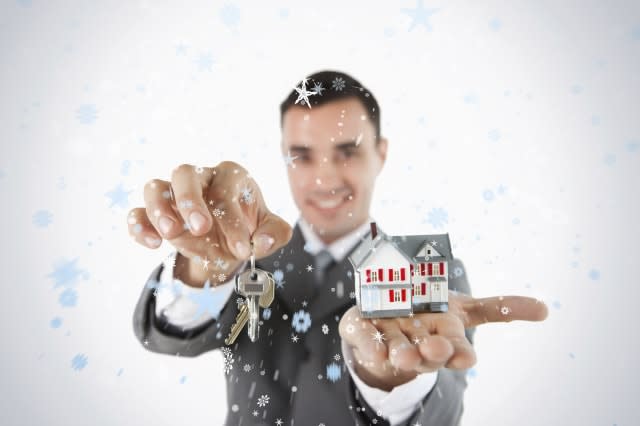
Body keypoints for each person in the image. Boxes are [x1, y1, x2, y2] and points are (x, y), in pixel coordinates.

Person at [128, 70, 548, 426]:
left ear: (380, 155)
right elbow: (171, 340)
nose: (324, 178)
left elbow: (443, 408)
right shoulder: (248, 261)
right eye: (303, 156)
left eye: (347, 152)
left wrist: (390, 379)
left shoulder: (429, 273)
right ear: (284, 158)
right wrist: (207, 270)